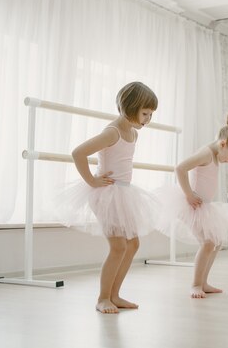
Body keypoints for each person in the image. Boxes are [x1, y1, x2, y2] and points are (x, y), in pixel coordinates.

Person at [57, 81, 159, 314]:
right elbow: (78, 153)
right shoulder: (112, 132)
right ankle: (103, 298)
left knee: (132, 244)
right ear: (129, 107)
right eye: (145, 113)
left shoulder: (132, 133)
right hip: (107, 194)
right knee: (118, 246)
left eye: (151, 114)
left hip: (124, 192)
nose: (148, 119)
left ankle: (115, 294)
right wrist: (92, 181)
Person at [156, 113, 228, 298]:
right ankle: (195, 285)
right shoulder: (206, 153)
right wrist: (189, 194)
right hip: (191, 205)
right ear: (223, 144)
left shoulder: (215, 154)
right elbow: (180, 168)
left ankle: (204, 282)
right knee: (208, 243)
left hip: (204, 206)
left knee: (214, 243)